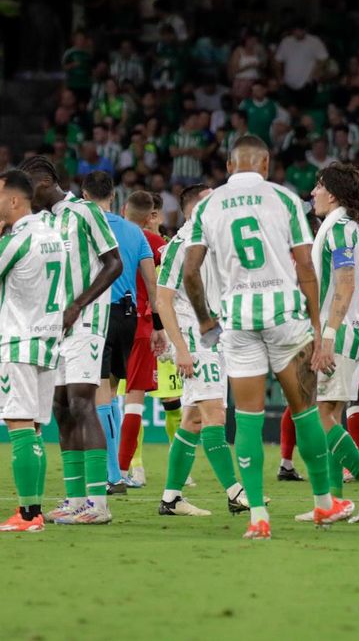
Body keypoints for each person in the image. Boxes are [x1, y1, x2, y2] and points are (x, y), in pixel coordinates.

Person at [182, 135, 335, 540]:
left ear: (230, 166)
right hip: (284, 315)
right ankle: (323, 503)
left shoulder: (208, 206)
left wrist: (204, 319)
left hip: (236, 318)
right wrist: (318, 329)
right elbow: (305, 267)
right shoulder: (283, 199)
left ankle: (258, 515)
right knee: (304, 410)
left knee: (246, 418)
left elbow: (190, 272)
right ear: (265, 163)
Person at [21, 155, 124, 525]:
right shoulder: (42, 222)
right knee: (61, 407)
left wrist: (78, 305)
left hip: (86, 321)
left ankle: (98, 502)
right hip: (54, 327)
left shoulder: (84, 212)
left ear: (46, 180)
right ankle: (75, 498)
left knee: (82, 403)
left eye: (28, 187)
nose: (26, 196)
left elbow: (114, 263)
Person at [0, 170, 68, 533]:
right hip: (46, 341)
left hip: (18, 341)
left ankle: (27, 516)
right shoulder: (53, 235)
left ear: (14, 200)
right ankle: (33, 510)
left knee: (20, 427)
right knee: (36, 429)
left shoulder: (17, 240)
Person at [305, 162, 359, 522]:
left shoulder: (341, 228)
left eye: (319, 186)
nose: (313, 192)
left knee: (319, 417)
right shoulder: (348, 227)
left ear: (335, 193)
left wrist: (326, 337)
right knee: (332, 416)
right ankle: (332, 503)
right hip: (345, 329)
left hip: (337, 332)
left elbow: (344, 284)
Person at [153, 183, 249, 517]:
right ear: (195, 209)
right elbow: (162, 298)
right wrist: (179, 348)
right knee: (214, 415)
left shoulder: (212, 243)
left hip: (213, 338)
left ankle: (171, 498)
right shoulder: (179, 245)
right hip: (194, 341)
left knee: (193, 419)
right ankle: (236, 492)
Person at [88, 171, 152, 493]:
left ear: (85, 197)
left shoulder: (84, 229)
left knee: (100, 392)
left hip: (98, 315)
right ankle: (119, 470)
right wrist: (158, 326)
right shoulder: (134, 231)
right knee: (113, 392)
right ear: (113, 197)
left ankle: (112, 474)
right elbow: (151, 281)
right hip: (129, 317)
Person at [117, 190, 169, 487]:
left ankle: (106, 469)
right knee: (135, 401)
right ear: (151, 215)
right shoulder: (155, 242)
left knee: (105, 397)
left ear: (124, 208)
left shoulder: (109, 234)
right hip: (142, 325)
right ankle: (123, 471)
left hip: (109, 321)